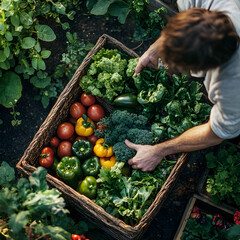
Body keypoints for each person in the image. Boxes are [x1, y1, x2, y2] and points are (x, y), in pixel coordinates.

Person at [125, 0, 240, 171]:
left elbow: (217, 133)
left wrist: (159, 150)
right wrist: (155, 49)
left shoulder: (230, 86)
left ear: (205, 68)